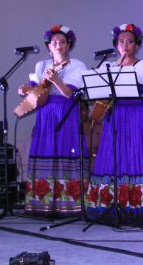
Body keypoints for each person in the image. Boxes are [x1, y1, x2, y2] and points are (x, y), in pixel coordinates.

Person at [86, 23, 143, 223]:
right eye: (121, 42)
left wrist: (121, 70)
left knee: (136, 154)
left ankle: (140, 205)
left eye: (130, 41)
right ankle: (112, 205)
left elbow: (141, 85)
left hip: (136, 114)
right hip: (115, 115)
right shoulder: (108, 66)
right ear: (116, 44)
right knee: (115, 155)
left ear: (137, 45)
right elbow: (100, 91)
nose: (125, 45)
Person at [20, 25, 88, 216]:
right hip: (46, 114)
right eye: (54, 42)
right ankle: (44, 204)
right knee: (47, 150)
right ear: (49, 46)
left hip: (66, 113)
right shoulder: (40, 65)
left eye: (63, 42)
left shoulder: (77, 65)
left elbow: (69, 94)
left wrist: (56, 80)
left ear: (69, 45)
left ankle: (70, 205)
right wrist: (26, 88)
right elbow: (37, 92)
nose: (58, 45)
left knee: (65, 151)